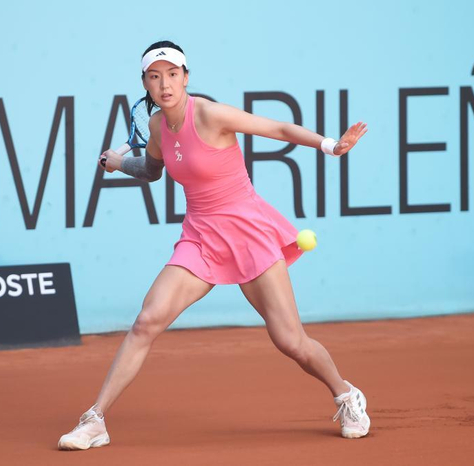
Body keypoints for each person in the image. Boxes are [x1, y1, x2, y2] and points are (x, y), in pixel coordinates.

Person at [58, 40, 370, 450]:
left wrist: (330, 146)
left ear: (186, 77)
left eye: (173, 75)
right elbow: (151, 169)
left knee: (290, 341)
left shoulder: (209, 114)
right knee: (147, 320)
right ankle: (95, 419)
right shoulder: (156, 127)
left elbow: (277, 129)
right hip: (200, 237)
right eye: (155, 77)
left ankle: (346, 395)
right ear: (145, 83)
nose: (165, 84)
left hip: (247, 233)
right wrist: (120, 164)